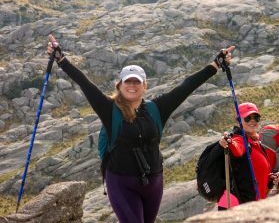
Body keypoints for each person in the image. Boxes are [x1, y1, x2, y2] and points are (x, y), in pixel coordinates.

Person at [46, 34, 234, 223]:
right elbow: (86, 84)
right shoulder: (109, 110)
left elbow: (186, 87)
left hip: (154, 182)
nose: (132, 85)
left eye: (137, 82)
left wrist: (215, 65)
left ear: (144, 86)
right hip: (121, 182)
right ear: (119, 85)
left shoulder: (156, 109)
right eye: (128, 81)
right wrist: (61, 60)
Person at [217, 102, 279, 209]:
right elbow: (237, 149)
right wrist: (229, 142)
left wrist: (269, 180)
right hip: (236, 207)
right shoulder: (239, 139)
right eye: (247, 118)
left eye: (256, 117)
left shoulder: (256, 142)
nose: (252, 120)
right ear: (238, 121)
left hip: (252, 205)